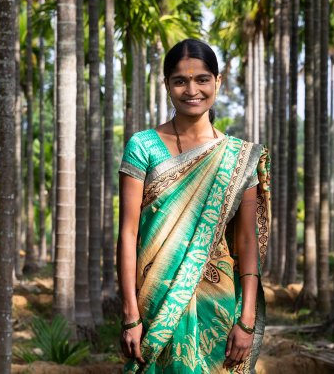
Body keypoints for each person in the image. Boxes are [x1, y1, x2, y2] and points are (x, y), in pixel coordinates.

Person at [116, 38, 270, 374]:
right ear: (167, 85)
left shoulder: (239, 158)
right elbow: (127, 233)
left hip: (219, 305)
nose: (192, 90)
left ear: (218, 82)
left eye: (202, 79)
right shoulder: (143, 146)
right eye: (180, 81)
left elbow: (246, 242)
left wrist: (246, 319)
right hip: (155, 301)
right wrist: (130, 314)